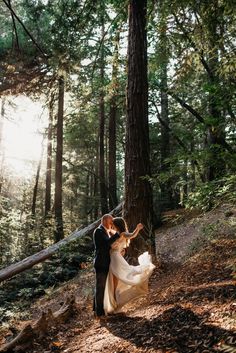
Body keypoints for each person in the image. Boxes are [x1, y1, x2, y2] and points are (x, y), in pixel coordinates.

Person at [103, 217, 155, 315]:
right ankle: (114, 305)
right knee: (114, 283)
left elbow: (132, 235)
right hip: (114, 258)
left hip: (115, 259)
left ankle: (115, 304)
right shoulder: (114, 233)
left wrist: (137, 229)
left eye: (113, 224)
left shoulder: (122, 233)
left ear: (117, 225)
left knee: (119, 279)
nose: (112, 225)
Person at [93, 214, 120, 318]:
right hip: (101, 263)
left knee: (101, 287)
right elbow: (106, 244)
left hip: (106, 263)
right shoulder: (99, 231)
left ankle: (97, 310)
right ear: (104, 221)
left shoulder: (106, 232)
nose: (112, 223)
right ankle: (99, 314)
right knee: (100, 287)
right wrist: (117, 234)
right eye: (110, 221)